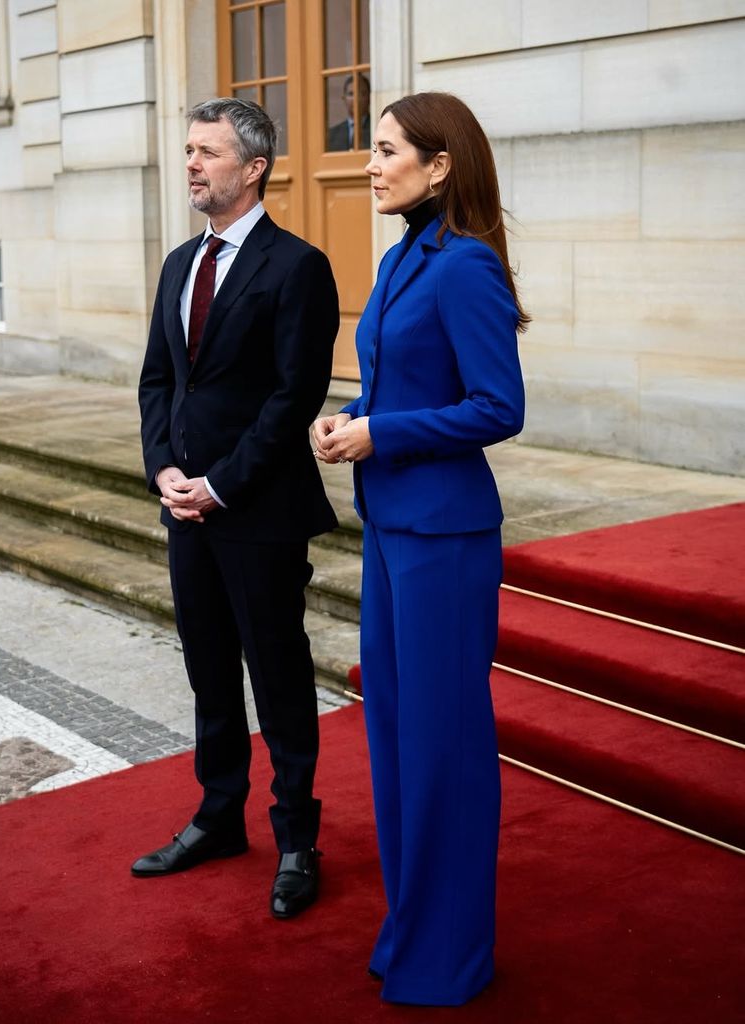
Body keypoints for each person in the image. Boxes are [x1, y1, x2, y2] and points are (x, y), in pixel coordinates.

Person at [313, 91, 527, 1005]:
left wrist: (382, 432)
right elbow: (404, 385)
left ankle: (449, 957)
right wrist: (352, 420)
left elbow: (498, 407)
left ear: (439, 164)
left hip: (445, 539)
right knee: (399, 740)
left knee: (443, 747)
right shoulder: (405, 257)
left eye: (388, 148)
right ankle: (411, 931)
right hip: (393, 531)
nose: (370, 162)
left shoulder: (466, 266)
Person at [135, 98, 339, 921]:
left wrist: (220, 482)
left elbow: (294, 398)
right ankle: (219, 817)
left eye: (207, 152)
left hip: (259, 511)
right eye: (187, 150)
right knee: (209, 675)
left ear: (252, 168)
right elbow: (157, 381)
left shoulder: (297, 266)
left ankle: (296, 838)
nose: (191, 164)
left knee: (279, 677)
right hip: (186, 512)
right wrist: (165, 473)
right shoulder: (180, 262)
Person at [326, 74, 371, 151]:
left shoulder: (377, 128)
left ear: (369, 97)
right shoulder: (332, 135)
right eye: (351, 94)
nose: (356, 98)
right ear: (344, 98)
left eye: (362, 93)